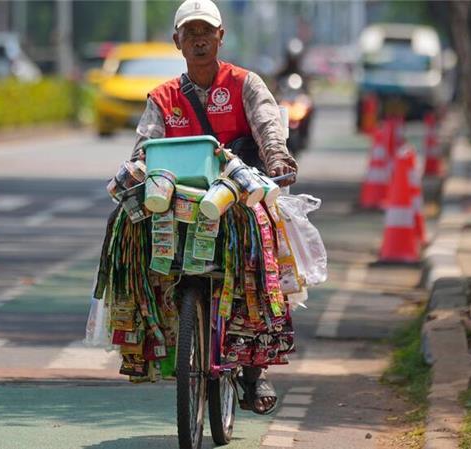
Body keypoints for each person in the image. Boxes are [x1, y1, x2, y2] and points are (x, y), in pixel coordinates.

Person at [130, 0, 297, 415]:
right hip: (177, 204)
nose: (199, 40)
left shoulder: (245, 83)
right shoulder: (163, 97)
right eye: (191, 33)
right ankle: (155, 337)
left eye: (206, 32)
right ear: (178, 42)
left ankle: (254, 373)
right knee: (131, 237)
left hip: (236, 201)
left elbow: (268, 126)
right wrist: (134, 171)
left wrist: (276, 159)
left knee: (260, 263)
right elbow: (143, 148)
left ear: (220, 37)